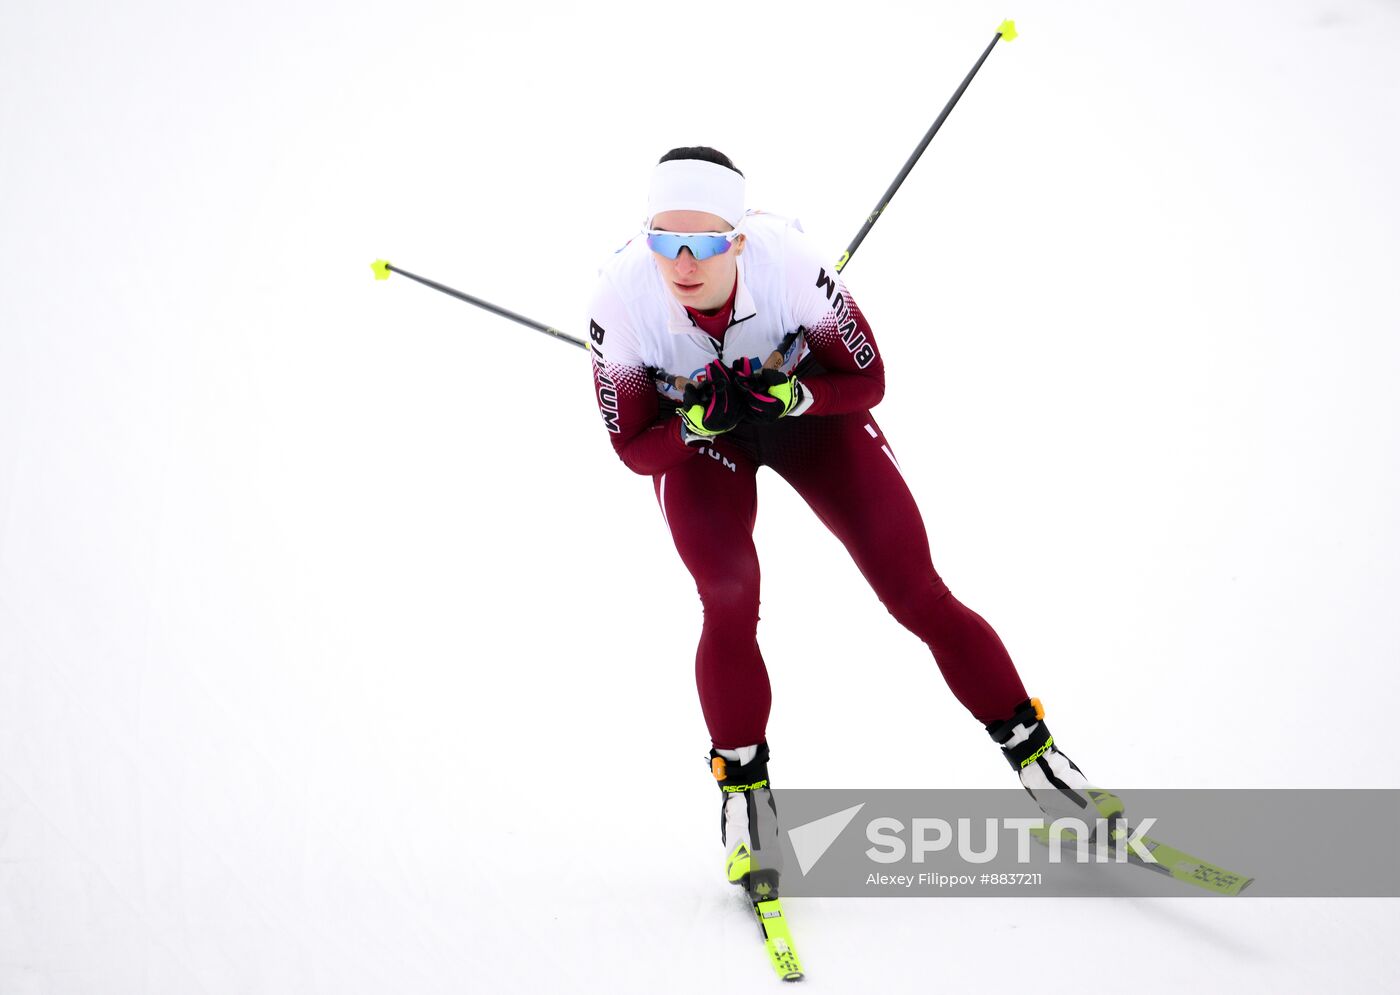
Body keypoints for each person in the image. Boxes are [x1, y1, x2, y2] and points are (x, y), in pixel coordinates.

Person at [587, 147, 1116, 899]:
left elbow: (867, 380)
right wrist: (696, 423)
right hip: (705, 446)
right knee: (730, 593)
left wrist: (795, 397)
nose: (681, 261)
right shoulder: (620, 300)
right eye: (663, 239)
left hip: (812, 421)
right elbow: (635, 448)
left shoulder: (790, 267)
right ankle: (746, 801)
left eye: (703, 242)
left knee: (915, 591)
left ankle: (1041, 763)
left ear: (738, 237)